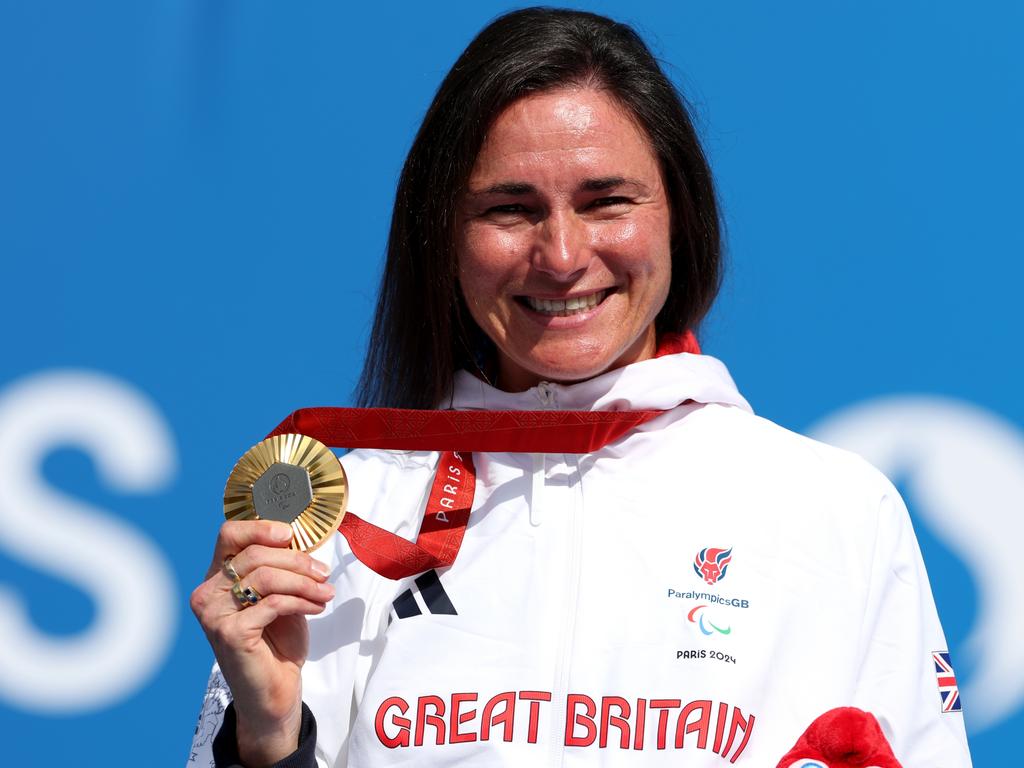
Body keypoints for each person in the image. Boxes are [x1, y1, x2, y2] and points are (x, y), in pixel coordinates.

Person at [189, 8, 972, 767]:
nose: (562, 255)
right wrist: (265, 743)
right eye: (510, 209)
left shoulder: (833, 513)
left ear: (680, 216)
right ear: (443, 236)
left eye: (606, 202)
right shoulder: (345, 521)